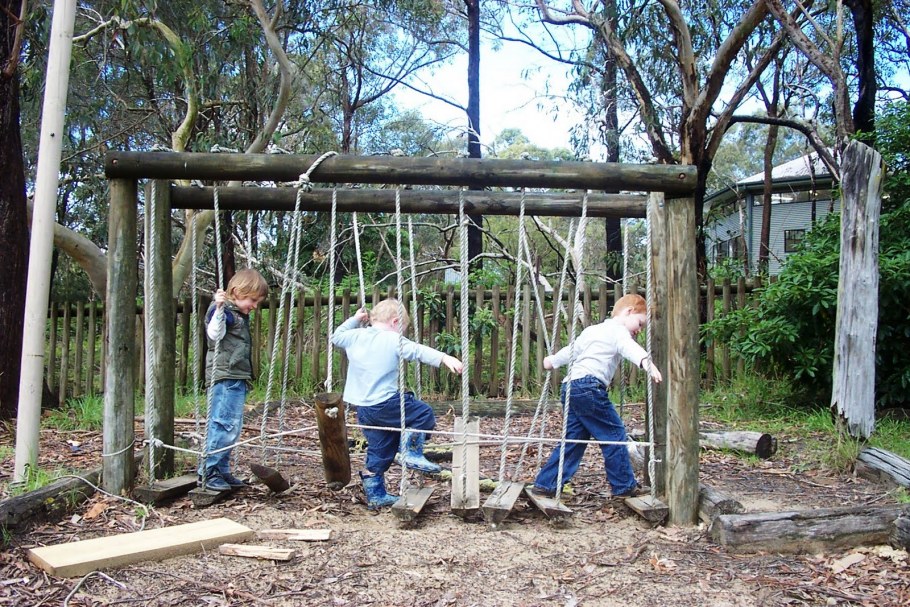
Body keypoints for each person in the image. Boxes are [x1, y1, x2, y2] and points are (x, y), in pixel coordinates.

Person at [332, 298, 464, 509]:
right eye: (403, 328)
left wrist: (355, 319)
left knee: (380, 447)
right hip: (385, 402)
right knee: (423, 414)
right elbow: (418, 351)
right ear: (395, 322)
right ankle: (411, 452)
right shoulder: (392, 339)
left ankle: (375, 495)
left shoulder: (354, 335)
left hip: (363, 408)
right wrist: (445, 358)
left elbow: (336, 336)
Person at [531, 293, 662, 500]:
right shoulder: (619, 332)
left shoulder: (592, 330)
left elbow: (571, 351)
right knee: (615, 435)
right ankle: (624, 486)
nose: (639, 330)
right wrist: (647, 362)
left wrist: (553, 361)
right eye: (639, 323)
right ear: (629, 312)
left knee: (574, 439)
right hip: (588, 388)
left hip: (570, 387)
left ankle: (546, 484)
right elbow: (630, 349)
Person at [199, 268, 269, 492]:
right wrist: (219, 308)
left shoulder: (238, 313)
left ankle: (221, 469)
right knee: (224, 424)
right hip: (225, 376)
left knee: (232, 426)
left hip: (236, 376)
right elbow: (214, 334)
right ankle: (209, 471)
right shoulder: (224, 311)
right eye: (253, 300)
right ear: (237, 292)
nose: (255, 306)